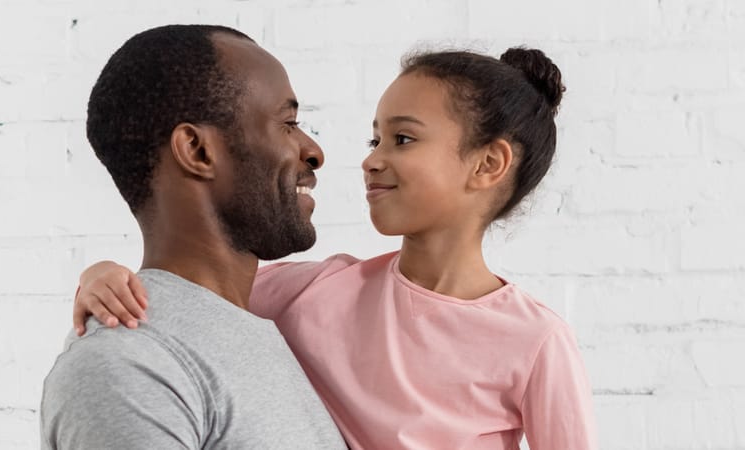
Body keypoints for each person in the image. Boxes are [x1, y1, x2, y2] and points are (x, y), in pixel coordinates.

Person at [74, 46, 598, 449]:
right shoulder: (316, 292)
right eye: (375, 141)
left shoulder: (535, 341)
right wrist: (101, 275)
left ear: (488, 164)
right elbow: (186, 297)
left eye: (404, 139)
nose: (371, 160)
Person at [39, 24, 347, 450]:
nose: (313, 151)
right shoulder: (128, 364)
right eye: (288, 123)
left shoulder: (267, 328)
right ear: (198, 151)